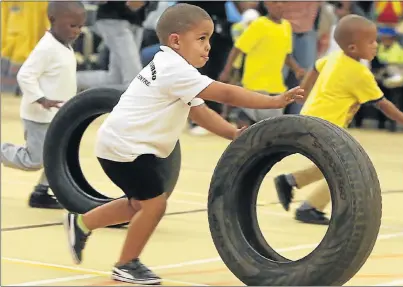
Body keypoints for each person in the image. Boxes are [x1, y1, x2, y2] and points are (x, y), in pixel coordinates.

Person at [62, 3, 304, 285]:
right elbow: (224, 92)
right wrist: (273, 100)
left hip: (123, 145)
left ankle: (81, 223)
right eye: (202, 39)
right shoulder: (174, 70)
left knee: (137, 205)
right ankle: (126, 264)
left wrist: (231, 133)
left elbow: (198, 111)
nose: (208, 47)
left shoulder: (173, 68)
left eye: (209, 39)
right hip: (125, 148)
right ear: (176, 41)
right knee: (154, 206)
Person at [273, 14, 403, 225]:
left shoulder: (335, 58)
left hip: (312, 119)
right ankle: (309, 206)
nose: (376, 46)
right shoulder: (359, 73)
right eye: (371, 42)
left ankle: (291, 181)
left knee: (330, 165)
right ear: (354, 48)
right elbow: (382, 103)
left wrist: (303, 93)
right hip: (327, 127)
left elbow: (315, 67)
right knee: (343, 169)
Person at [1, 1, 86, 209]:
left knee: (59, 154)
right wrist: (41, 99)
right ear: (52, 20)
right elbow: (25, 75)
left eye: (79, 26)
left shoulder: (64, 45)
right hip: (39, 115)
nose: (76, 31)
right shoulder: (46, 47)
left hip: (58, 115)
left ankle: (41, 193)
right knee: (34, 160)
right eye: (71, 26)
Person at [219, 1, 305, 128]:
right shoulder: (259, 24)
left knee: (271, 123)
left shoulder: (286, 26)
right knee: (254, 120)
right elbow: (238, 48)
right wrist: (227, 71)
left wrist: (297, 69)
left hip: (275, 84)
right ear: (266, 4)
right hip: (255, 82)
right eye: (275, 2)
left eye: (284, 2)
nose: (280, 5)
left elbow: (286, 54)